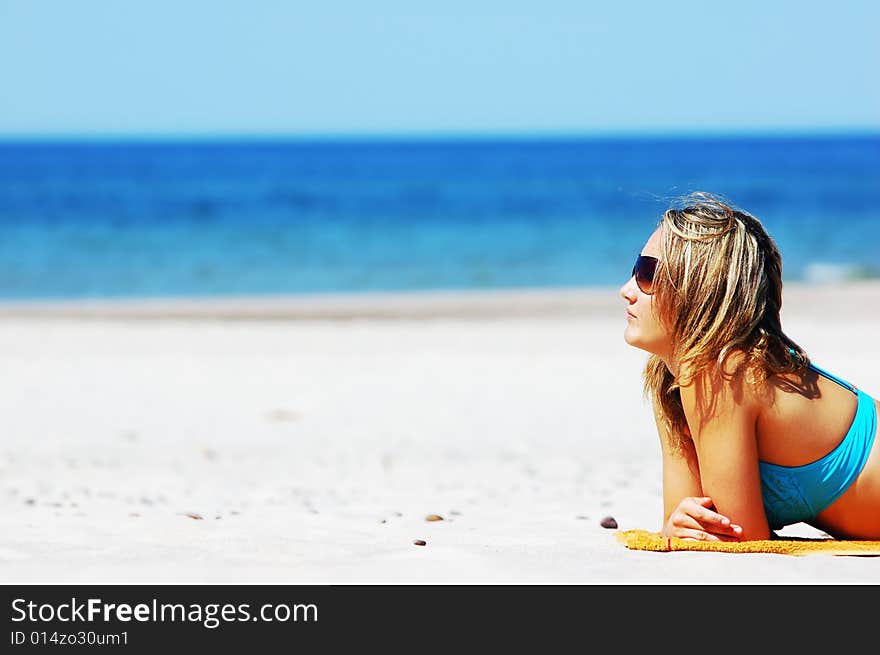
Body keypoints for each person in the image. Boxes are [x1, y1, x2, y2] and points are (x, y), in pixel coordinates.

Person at [619, 192, 879, 541]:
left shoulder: (724, 372)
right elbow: (686, 520)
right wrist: (679, 525)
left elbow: (737, 538)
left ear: (699, 289)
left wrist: (688, 530)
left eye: (647, 274)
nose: (626, 290)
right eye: (636, 269)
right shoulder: (672, 381)